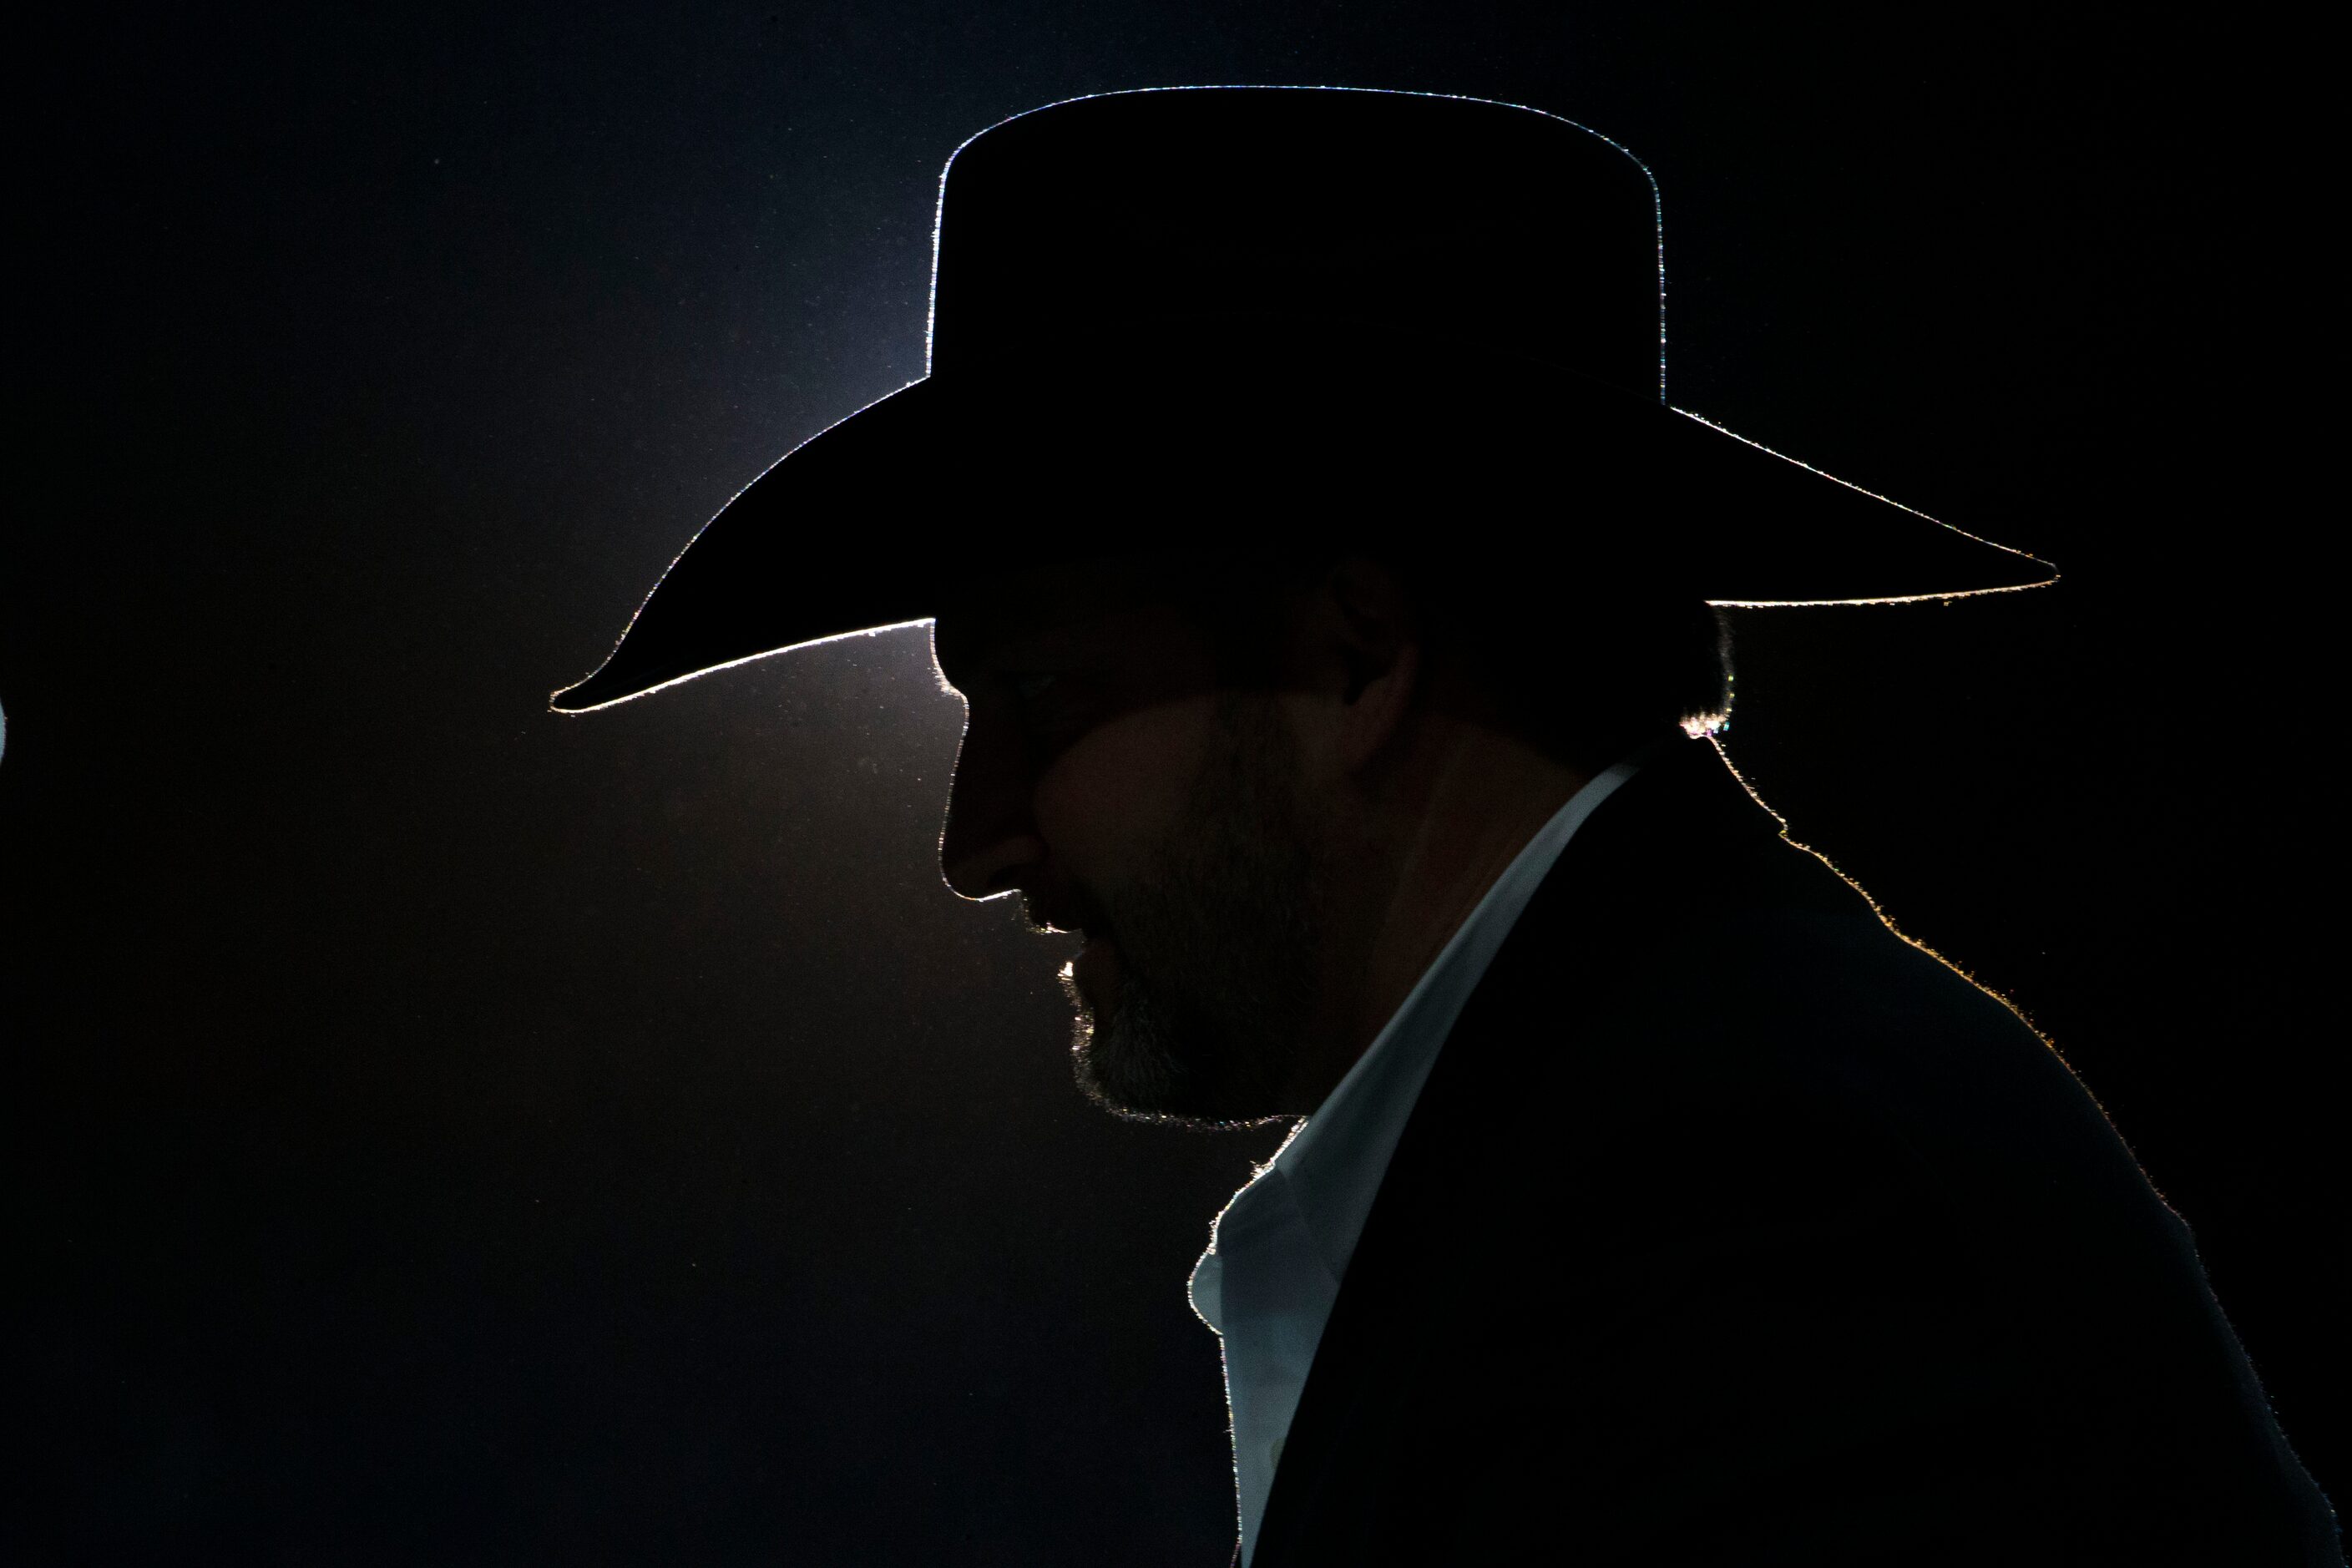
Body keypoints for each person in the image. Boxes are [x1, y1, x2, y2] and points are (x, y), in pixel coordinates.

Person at [552, 89, 2341, 1566]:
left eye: (1041, 700)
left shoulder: (1750, 1194)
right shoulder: (1683, 1113)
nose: (975, 837)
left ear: (1354, 661)